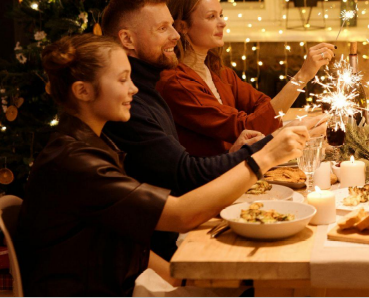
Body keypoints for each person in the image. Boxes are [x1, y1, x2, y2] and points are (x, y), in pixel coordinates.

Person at [17, 34, 309, 296]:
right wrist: (265, 157)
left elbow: (129, 242)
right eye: (122, 80)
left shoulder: (96, 144)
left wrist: (182, 282)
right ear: (83, 91)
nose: (133, 89)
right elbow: (180, 215)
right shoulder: (75, 161)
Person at [97, 0, 321, 258]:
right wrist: (268, 149)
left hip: (206, 203)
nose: (175, 36)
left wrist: (239, 150)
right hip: (183, 232)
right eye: (163, 28)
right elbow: (185, 177)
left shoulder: (213, 74)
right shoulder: (162, 88)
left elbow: (264, 110)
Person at [157, 0, 333, 156]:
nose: (223, 23)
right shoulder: (177, 83)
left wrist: (288, 124)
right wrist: (302, 76)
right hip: (214, 178)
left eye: (221, 15)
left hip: (239, 164)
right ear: (182, 27)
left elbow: (263, 105)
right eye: (211, 17)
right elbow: (245, 125)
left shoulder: (217, 71)